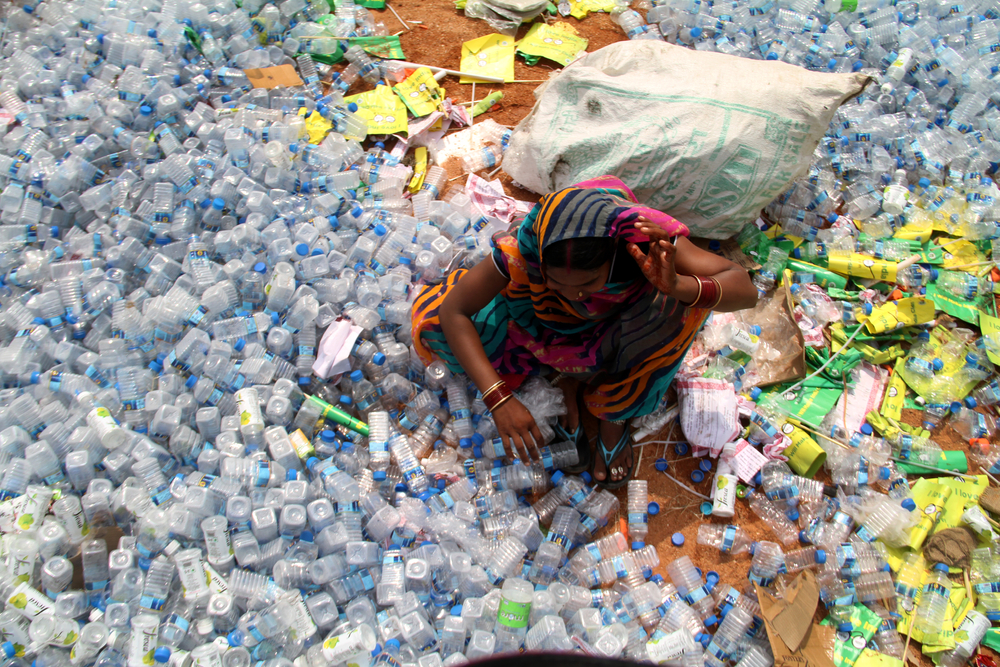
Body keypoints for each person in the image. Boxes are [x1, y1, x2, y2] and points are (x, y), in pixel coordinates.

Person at [411, 176, 758, 488]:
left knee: (678, 311)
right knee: (439, 330)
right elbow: (454, 311)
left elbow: (744, 288)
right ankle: (571, 380)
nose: (574, 294)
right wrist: (497, 397)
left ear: (613, 258)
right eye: (556, 281)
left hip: (621, 326)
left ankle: (612, 415)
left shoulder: (642, 240)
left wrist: (677, 285)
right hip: (544, 324)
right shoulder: (526, 247)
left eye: (588, 283)